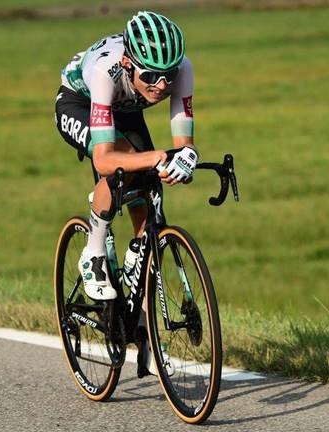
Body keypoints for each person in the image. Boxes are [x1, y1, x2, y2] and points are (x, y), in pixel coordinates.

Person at [54, 10, 198, 302]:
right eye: (151, 76)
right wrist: (154, 158)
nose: (162, 85)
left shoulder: (182, 68)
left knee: (149, 191)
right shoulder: (105, 71)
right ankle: (93, 253)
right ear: (127, 63)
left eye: (168, 76)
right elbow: (104, 160)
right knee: (124, 165)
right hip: (80, 103)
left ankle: (139, 299)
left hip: (127, 107)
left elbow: (184, 143)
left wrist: (187, 157)